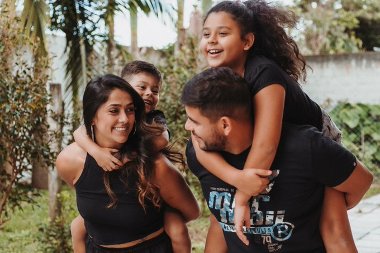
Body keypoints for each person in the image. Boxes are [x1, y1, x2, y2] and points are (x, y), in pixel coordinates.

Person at [194, 1, 354, 252]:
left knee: (330, 226)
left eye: (222, 33)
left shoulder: (264, 73)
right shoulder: (215, 79)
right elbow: (198, 141)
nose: (212, 40)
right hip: (276, 145)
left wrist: (243, 196)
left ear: (247, 42)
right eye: (206, 34)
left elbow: (265, 144)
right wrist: (238, 179)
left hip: (317, 138)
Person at [181, 67, 373, 253]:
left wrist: (327, 212)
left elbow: (362, 182)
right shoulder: (201, 154)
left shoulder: (305, 147)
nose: (186, 126)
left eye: (194, 121)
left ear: (225, 124)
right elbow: (219, 222)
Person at [56, 74, 199, 252]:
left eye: (130, 110)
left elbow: (192, 211)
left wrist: (168, 216)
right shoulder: (69, 161)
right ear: (92, 117)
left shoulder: (155, 165)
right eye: (114, 110)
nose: (125, 119)